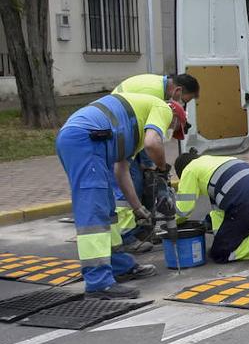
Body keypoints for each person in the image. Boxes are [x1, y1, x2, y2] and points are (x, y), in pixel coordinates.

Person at [55, 92, 188, 298]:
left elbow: (121, 171)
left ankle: (119, 267)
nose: (169, 132)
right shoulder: (164, 109)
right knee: (93, 215)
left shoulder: (132, 134)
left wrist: (138, 208)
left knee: (108, 210)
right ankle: (99, 283)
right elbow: (153, 143)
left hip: (92, 141)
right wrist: (162, 170)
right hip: (87, 140)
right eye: (173, 129)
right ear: (176, 117)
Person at [111, 73, 200, 253]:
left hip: (123, 129)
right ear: (177, 90)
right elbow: (149, 140)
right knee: (128, 184)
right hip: (119, 130)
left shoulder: (158, 89)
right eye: (184, 100)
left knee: (136, 181)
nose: (182, 104)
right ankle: (126, 237)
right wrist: (153, 165)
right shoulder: (153, 95)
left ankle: (140, 230)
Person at [173, 150, 249, 263]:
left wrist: (170, 223)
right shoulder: (214, 161)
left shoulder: (189, 169)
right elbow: (220, 210)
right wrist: (209, 223)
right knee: (232, 231)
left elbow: (183, 210)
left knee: (219, 254)